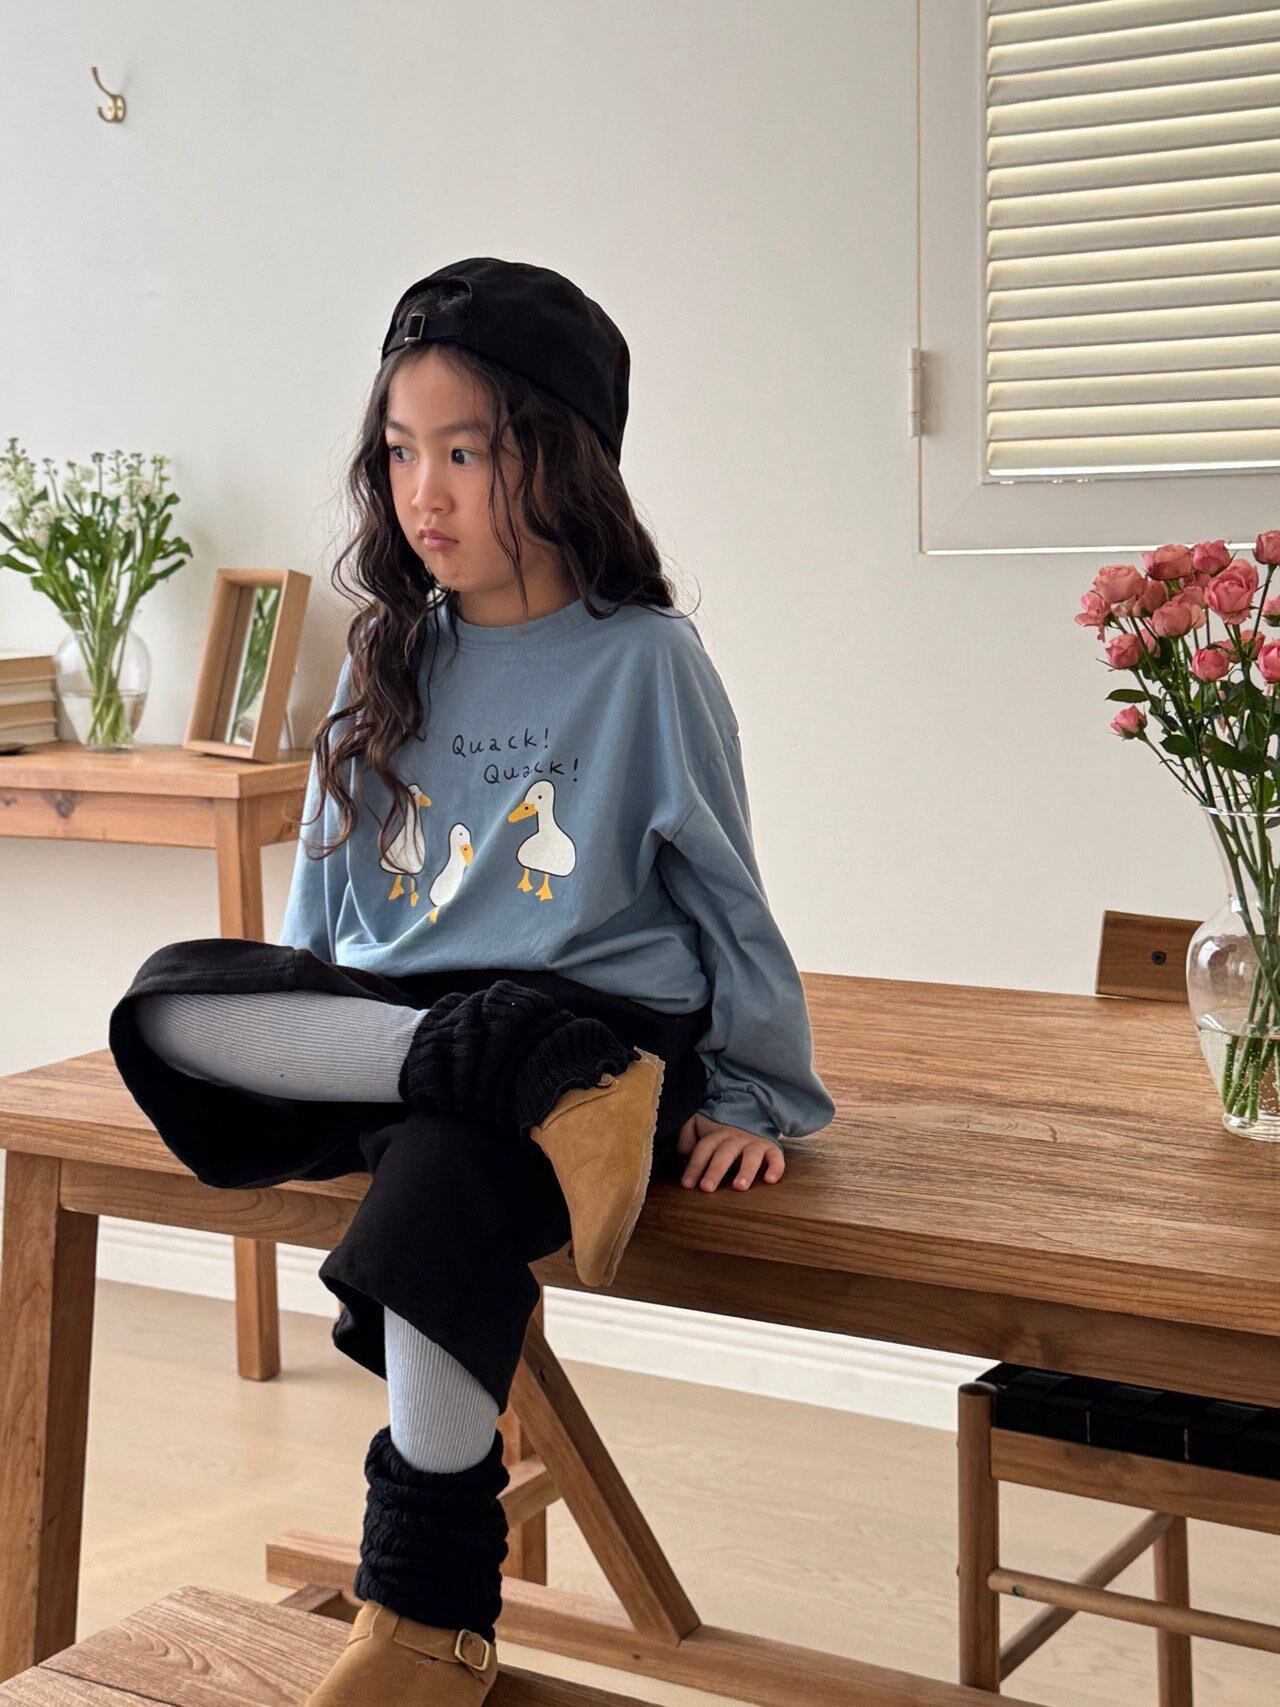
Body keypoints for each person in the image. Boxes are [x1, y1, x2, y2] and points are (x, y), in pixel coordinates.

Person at [106, 257, 835, 1704]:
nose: (421, 494)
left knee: (440, 1170)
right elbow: (322, 902)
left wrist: (756, 1093)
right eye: (397, 452)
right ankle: (518, 1079)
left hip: (597, 1018)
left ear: (558, 460)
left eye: (464, 452)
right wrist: (303, 1020)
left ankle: (425, 1624)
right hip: (415, 1033)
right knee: (166, 1002)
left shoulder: (644, 664)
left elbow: (728, 901)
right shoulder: (389, 653)